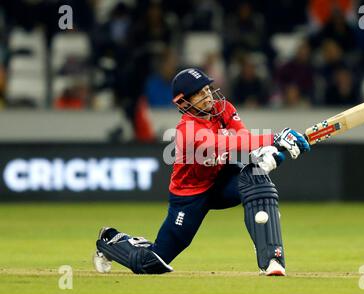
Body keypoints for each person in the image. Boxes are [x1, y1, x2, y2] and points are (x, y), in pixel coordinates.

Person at [92, 68, 310, 276]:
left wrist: (264, 154)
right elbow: (229, 144)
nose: (207, 96)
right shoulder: (187, 131)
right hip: (190, 196)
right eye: (198, 93)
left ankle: (272, 258)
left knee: (257, 176)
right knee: (150, 262)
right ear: (183, 102)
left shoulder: (223, 109)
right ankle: (110, 239)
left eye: (207, 89)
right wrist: (274, 138)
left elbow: (243, 138)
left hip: (221, 181)